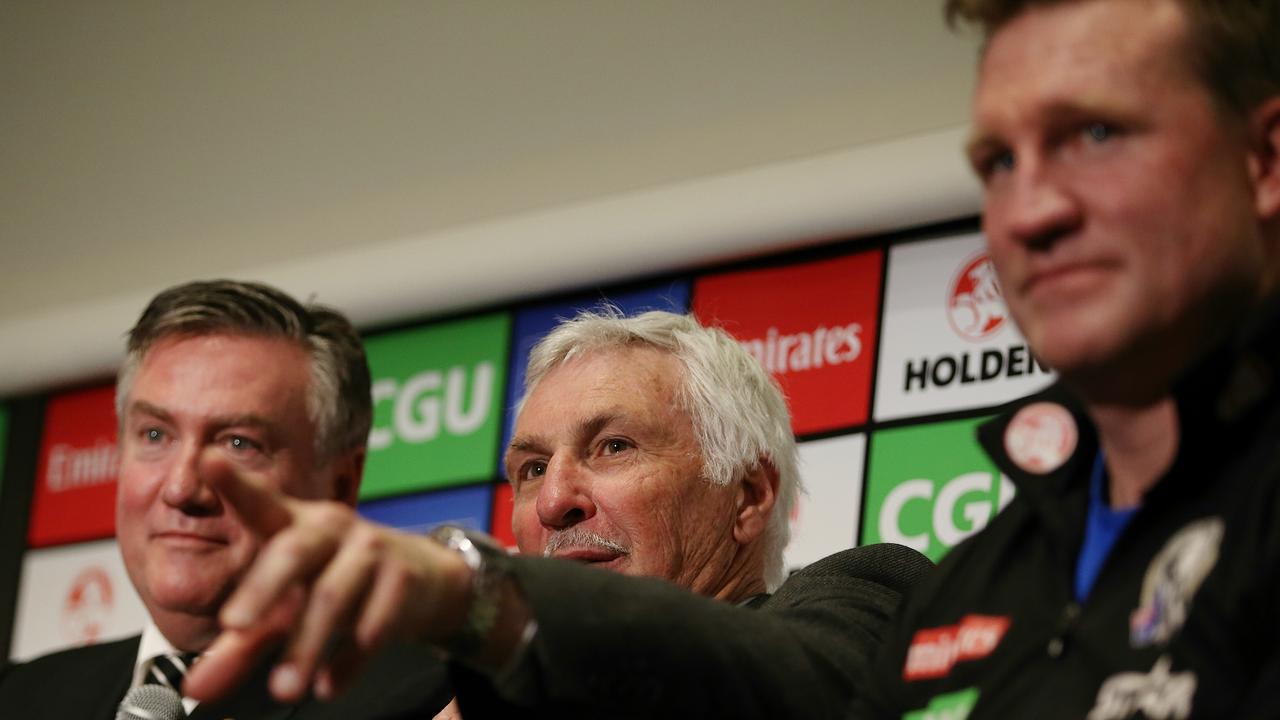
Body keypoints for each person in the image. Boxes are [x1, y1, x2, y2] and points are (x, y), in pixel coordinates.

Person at [177, 308, 933, 718]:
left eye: (613, 446)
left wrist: (474, 595)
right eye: (532, 467)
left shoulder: (865, 596)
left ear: (750, 495)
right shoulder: (417, 690)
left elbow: (796, 693)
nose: (553, 500)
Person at [853, 0, 1280, 718]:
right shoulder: (960, 590)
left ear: (1264, 161)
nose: (1030, 213)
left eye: (1096, 133)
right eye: (1000, 163)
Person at [0, 280, 453, 719]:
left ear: (339, 484)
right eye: (155, 434)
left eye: (239, 444)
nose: (181, 489)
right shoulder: (21, 698)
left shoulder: (423, 698)